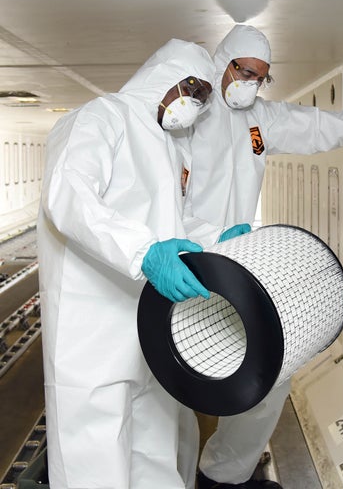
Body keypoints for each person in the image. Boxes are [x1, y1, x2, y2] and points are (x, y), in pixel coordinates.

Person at [187, 24, 343, 489]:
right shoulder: (188, 114)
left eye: (261, 77)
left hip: (235, 263)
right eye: (244, 71)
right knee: (172, 387)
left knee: (268, 378)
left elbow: (318, 128)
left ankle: (222, 476)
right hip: (184, 261)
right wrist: (204, 234)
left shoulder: (258, 121)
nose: (251, 82)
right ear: (221, 62)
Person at [37, 39, 241, 489]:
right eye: (191, 87)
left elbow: (173, 223)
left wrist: (216, 238)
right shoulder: (99, 118)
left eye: (205, 95)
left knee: (155, 459)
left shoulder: (170, 145)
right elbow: (68, 196)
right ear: (161, 75)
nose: (196, 102)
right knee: (95, 466)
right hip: (90, 338)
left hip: (149, 332)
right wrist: (142, 253)